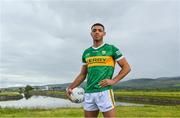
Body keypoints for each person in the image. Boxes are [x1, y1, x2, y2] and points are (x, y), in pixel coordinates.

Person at [66, 23, 131, 118]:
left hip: (104, 92)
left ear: (104, 34)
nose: (97, 32)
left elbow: (126, 67)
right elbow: (83, 74)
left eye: (100, 30)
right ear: (91, 34)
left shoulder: (111, 49)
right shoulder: (86, 52)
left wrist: (113, 80)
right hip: (89, 92)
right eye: (94, 30)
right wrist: (70, 88)